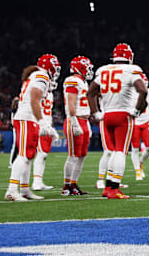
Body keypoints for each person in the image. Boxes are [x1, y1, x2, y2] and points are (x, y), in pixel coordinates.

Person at [88, 43, 148, 199]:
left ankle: (108, 186)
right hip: (123, 115)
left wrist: (96, 113)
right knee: (121, 151)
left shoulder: (103, 70)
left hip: (107, 115)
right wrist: (136, 109)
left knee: (114, 151)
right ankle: (114, 188)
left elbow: (90, 92)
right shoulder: (131, 69)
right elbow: (143, 90)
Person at [5, 54, 60, 202]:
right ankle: (12, 190)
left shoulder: (36, 75)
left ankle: (24, 189)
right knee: (23, 155)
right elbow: (34, 100)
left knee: (29, 155)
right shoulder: (42, 76)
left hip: (29, 118)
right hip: (26, 117)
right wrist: (43, 122)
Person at [62, 56, 93, 196]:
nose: (89, 70)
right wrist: (74, 123)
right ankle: (66, 185)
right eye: (87, 67)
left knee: (81, 156)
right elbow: (71, 104)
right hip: (75, 120)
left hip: (84, 121)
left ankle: (74, 184)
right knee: (73, 155)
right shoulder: (72, 80)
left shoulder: (82, 82)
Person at [32, 81, 59, 191]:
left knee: (44, 155)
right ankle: (35, 182)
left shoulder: (50, 94)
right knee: (41, 154)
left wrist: (51, 128)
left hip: (47, 125)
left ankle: (39, 180)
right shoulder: (39, 90)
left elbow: (49, 113)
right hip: (40, 125)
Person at [131, 73, 149, 181]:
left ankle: (141, 163)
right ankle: (137, 172)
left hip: (146, 122)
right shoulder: (131, 93)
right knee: (134, 148)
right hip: (134, 123)